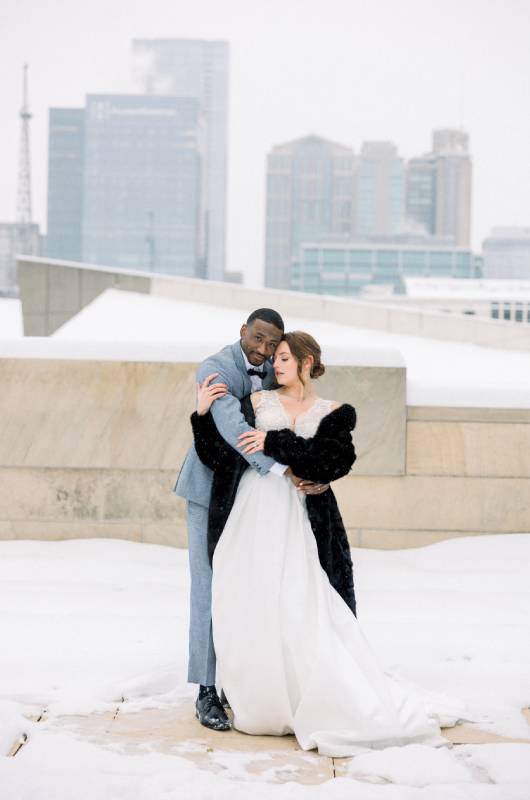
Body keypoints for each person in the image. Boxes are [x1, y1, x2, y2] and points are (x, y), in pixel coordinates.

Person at [190, 330, 466, 757]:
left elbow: (333, 461)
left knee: (302, 603)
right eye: (273, 358)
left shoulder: (334, 412)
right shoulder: (256, 404)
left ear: (306, 362)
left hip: (305, 521)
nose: (273, 365)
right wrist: (203, 414)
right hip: (252, 518)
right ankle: (258, 697)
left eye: (283, 358)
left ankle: (308, 695)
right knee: (254, 601)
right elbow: (220, 456)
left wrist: (274, 442)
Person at [173, 310, 329, 731]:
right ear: (243, 331)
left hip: (251, 500)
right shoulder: (216, 368)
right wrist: (280, 469)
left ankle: (239, 683)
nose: (261, 350)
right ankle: (206, 689)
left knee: (248, 589)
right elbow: (231, 424)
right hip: (209, 494)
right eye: (256, 339)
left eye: (270, 343)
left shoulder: (273, 372)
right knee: (209, 585)